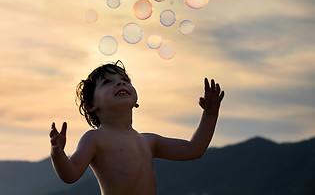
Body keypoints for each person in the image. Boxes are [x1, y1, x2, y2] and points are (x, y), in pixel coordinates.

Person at [50, 60, 224, 195]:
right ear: (91, 106)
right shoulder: (94, 138)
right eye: (107, 82)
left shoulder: (149, 141)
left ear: (136, 101)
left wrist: (210, 115)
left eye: (124, 80)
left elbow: (193, 149)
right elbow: (71, 175)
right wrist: (57, 154)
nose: (120, 83)